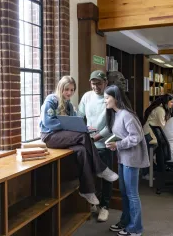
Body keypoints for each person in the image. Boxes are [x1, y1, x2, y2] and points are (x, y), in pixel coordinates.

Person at [39, 75, 119, 205]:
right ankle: (101, 169)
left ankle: (87, 190)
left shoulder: (69, 104)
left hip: (64, 137)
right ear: (60, 88)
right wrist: (69, 128)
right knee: (83, 136)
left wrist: (85, 127)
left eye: (72, 90)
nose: (69, 93)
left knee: (82, 150)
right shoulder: (51, 100)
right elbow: (48, 122)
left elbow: (75, 121)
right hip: (50, 136)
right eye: (67, 90)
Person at [104, 85, 149, 236]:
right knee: (124, 192)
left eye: (107, 98)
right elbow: (123, 134)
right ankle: (125, 222)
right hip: (123, 158)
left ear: (116, 98)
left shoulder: (127, 115)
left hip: (132, 159)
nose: (105, 101)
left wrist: (118, 144)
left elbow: (136, 137)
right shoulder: (117, 114)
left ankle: (136, 228)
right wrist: (115, 144)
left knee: (132, 194)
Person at [78, 70, 113, 222]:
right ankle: (92, 204)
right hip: (89, 144)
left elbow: (111, 125)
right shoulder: (86, 96)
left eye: (99, 83)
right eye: (93, 83)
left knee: (106, 177)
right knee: (88, 175)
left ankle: (105, 206)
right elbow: (79, 117)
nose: (96, 86)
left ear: (105, 83)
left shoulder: (110, 98)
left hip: (104, 144)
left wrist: (96, 137)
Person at [142, 94, 173, 180]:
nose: (172, 104)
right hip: (149, 134)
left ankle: (156, 169)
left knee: (151, 154)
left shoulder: (160, 109)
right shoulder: (160, 110)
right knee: (148, 155)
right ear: (166, 102)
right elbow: (162, 125)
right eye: (171, 102)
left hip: (150, 133)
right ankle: (145, 174)